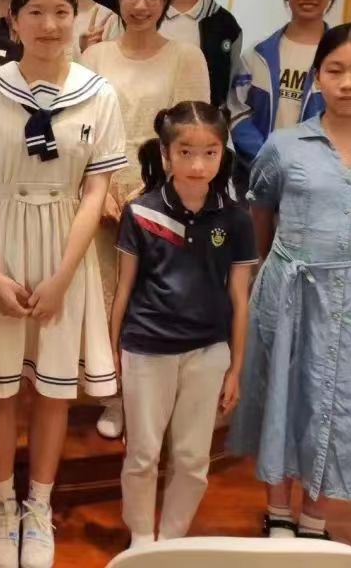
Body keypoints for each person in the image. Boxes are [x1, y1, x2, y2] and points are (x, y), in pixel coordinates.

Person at [0, 0, 127, 568]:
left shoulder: (99, 94)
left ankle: (39, 505)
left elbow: (95, 193)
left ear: (77, 16)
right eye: (36, 12)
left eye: (62, 11)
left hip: (65, 250)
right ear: (13, 19)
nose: (50, 24)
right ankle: (3, 504)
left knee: (55, 390)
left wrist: (62, 277)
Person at [229, 23, 351, 541]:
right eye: (335, 70)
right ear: (317, 77)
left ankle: (315, 519)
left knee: (340, 400)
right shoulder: (284, 145)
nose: (348, 82)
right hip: (288, 289)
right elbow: (262, 218)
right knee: (282, 393)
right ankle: (278, 511)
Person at [111, 102, 256, 548]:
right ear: (166, 154)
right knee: (142, 453)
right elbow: (123, 289)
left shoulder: (236, 218)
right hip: (146, 348)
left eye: (210, 153)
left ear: (223, 153)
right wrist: (113, 354)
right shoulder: (141, 213)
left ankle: (172, 541)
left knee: (192, 459)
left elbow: (239, 298)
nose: (198, 165)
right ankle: (141, 539)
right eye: (186, 152)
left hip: (208, 352)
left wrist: (235, 367)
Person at [81, 0, 210, 440]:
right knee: (106, 295)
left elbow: (193, 134)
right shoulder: (95, 57)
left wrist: (150, 191)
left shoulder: (186, 57)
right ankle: (112, 395)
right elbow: (80, 132)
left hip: (162, 194)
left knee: (151, 298)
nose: (140, 4)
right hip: (101, 192)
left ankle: (149, 400)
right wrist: (98, 191)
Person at [230, 0, 339, 165]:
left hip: (317, 172)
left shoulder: (340, 60)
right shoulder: (256, 55)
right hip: (258, 169)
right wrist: (266, 156)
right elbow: (236, 110)